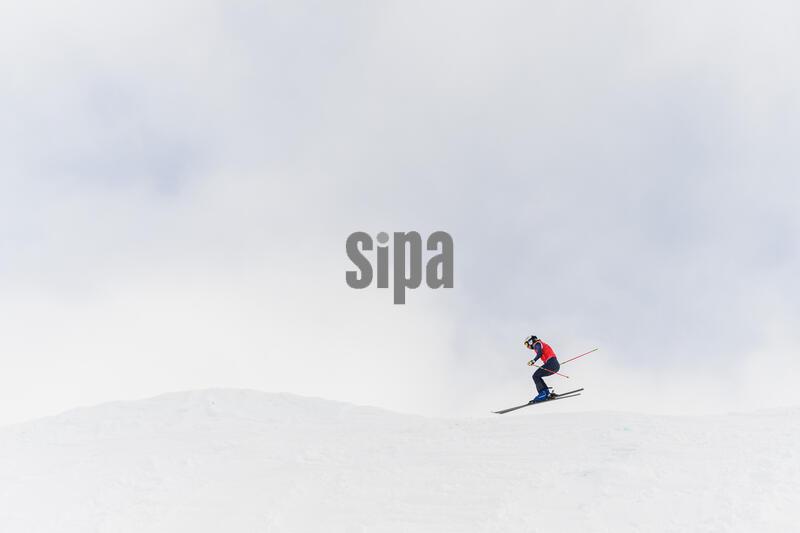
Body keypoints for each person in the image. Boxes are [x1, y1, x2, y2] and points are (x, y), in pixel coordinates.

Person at [524, 335, 560, 402]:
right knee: (537, 376)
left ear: (530, 341)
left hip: (551, 364)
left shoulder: (537, 344)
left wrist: (533, 361)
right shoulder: (540, 344)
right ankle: (546, 393)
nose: (528, 347)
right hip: (555, 365)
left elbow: (539, 353)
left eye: (527, 344)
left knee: (535, 376)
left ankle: (542, 394)